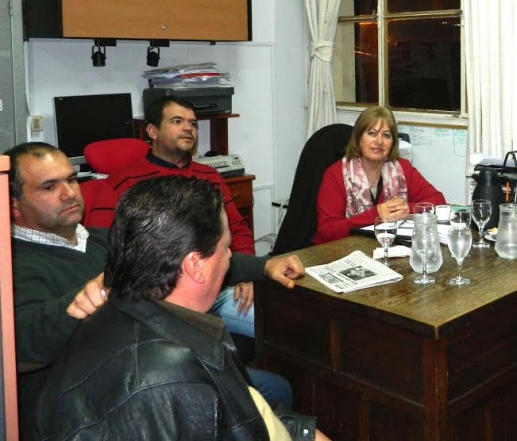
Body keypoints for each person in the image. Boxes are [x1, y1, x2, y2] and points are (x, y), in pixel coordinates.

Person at [7, 142, 299, 433]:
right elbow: (18, 345)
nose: (69, 193)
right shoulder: (12, 265)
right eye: (49, 187)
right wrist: (77, 304)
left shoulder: (100, 238)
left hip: (154, 363)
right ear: (14, 204)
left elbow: (191, 259)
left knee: (275, 389)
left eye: (71, 179)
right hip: (98, 406)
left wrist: (264, 266)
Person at [86, 96, 256, 338]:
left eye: (193, 123)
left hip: (218, 287)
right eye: (177, 121)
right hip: (158, 301)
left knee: (278, 322)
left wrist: (246, 275)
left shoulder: (210, 177)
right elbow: (100, 245)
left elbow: (237, 229)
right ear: (153, 131)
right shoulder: (124, 181)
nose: (188, 128)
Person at [312, 105, 445, 244]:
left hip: (387, 248)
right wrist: (375, 215)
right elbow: (327, 231)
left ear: (393, 142)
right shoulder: (335, 174)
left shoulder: (402, 168)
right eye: (371, 133)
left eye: (386, 135)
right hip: (343, 250)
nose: (379, 141)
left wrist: (408, 209)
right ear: (358, 138)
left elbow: (438, 201)